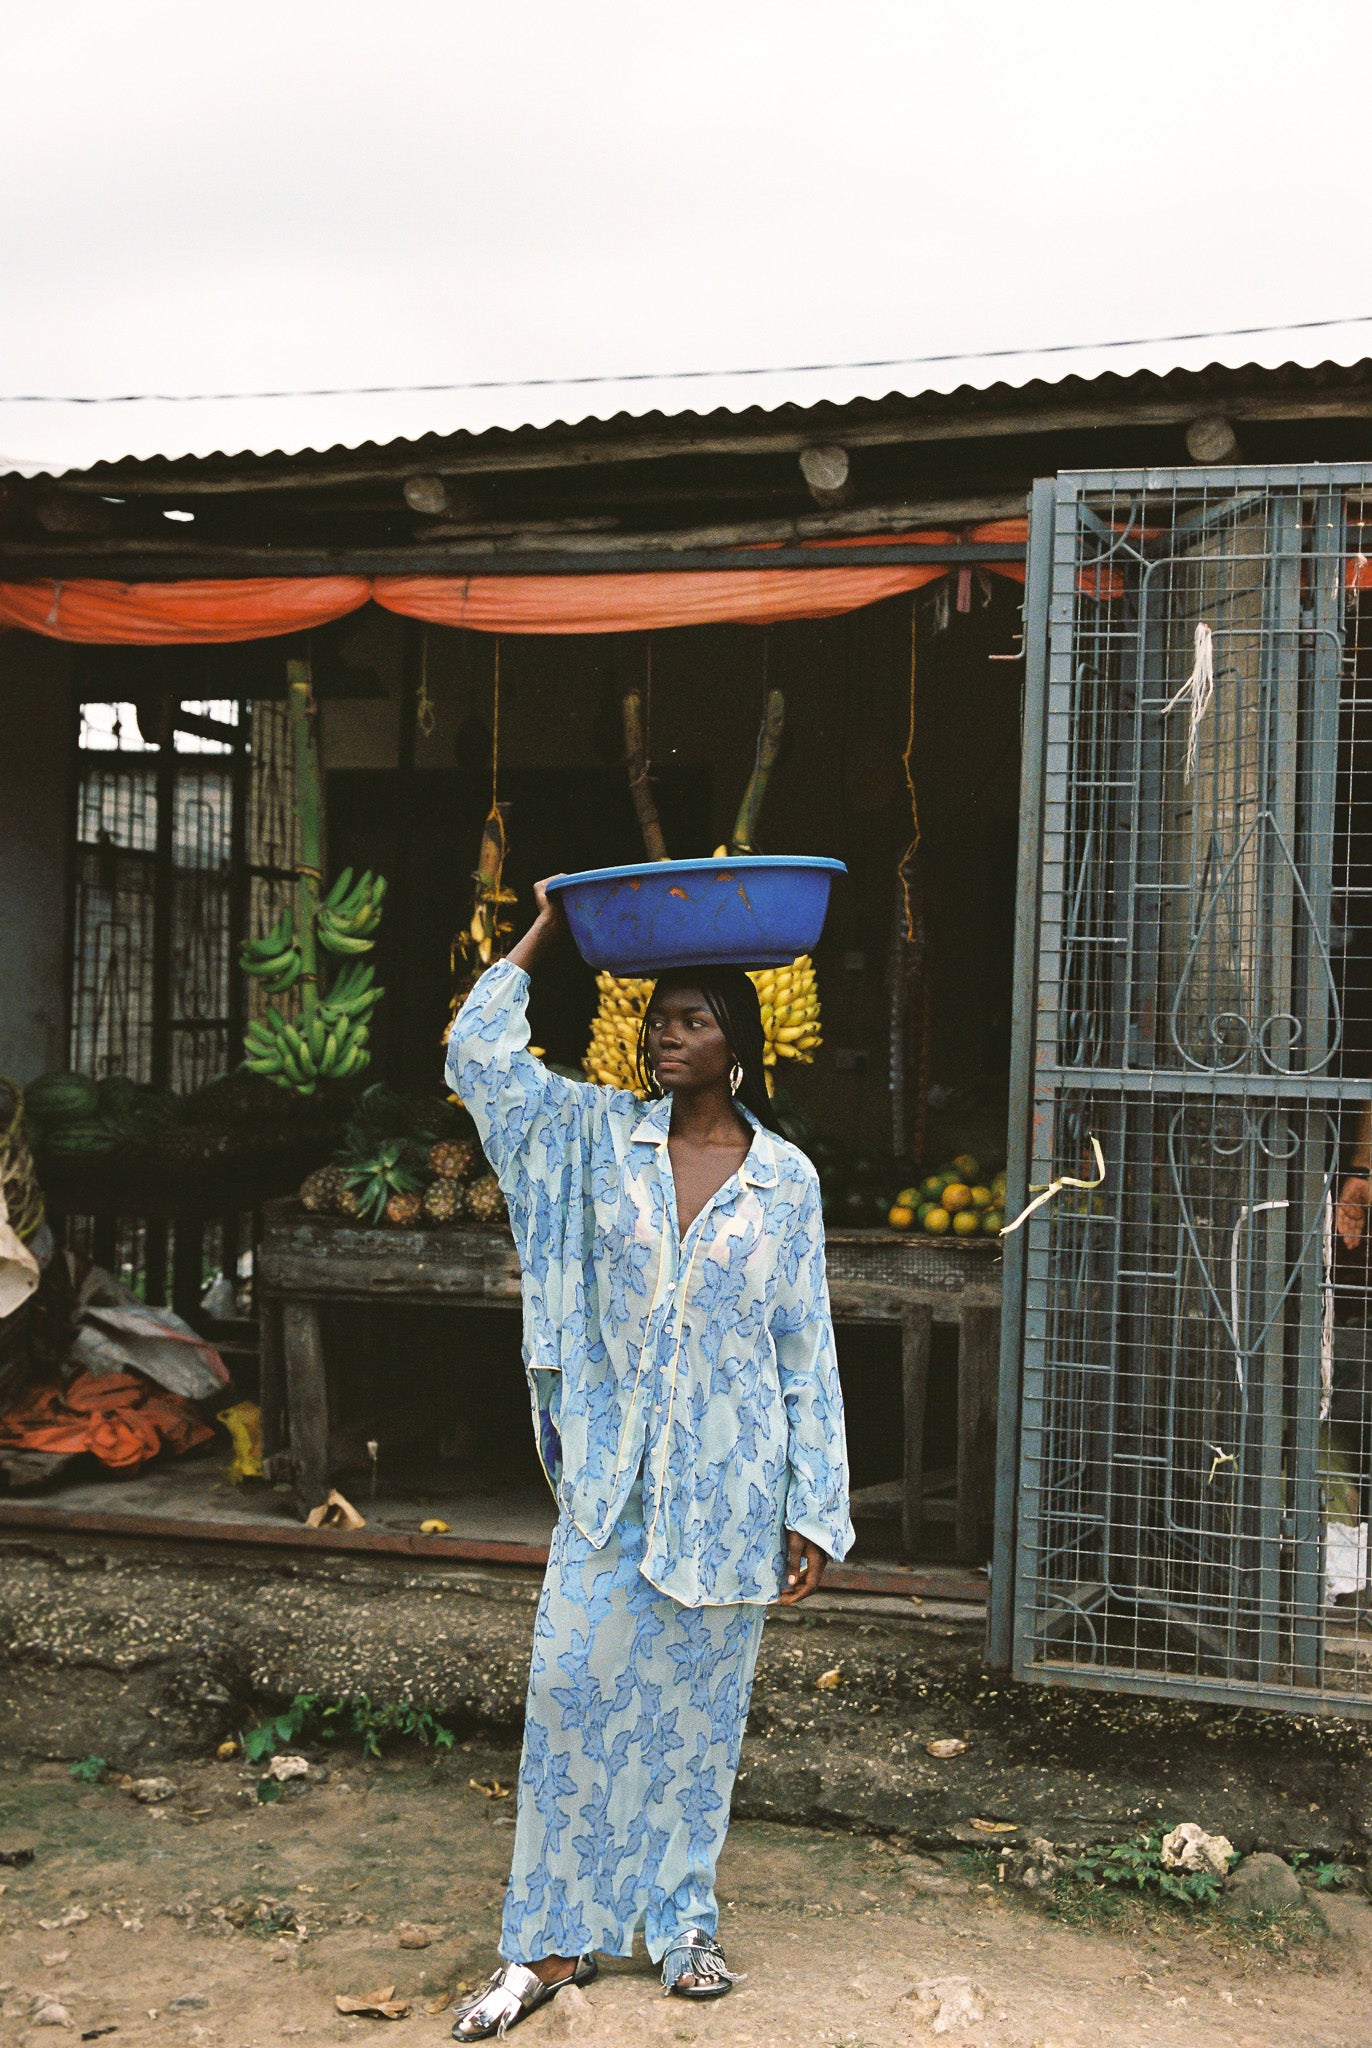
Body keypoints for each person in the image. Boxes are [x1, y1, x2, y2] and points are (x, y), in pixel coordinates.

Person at [443, 877, 852, 2039]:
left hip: (730, 1491)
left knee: (696, 1717)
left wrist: (811, 1505)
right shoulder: (587, 1142)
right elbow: (478, 1053)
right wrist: (550, 930)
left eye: (692, 1020)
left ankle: (681, 1922)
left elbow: (803, 1347)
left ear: (738, 1044)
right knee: (570, 1686)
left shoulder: (787, 1183)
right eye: (657, 1017)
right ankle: (546, 1942)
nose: (665, 1035)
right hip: (610, 1481)